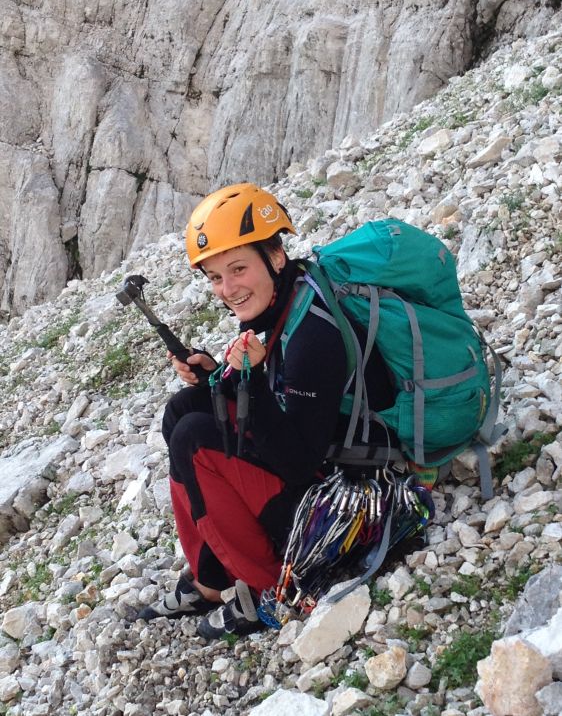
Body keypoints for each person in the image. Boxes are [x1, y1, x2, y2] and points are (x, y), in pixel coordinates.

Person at [139, 183, 396, 638]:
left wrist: (252, 380)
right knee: (185, 408)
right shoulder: (289, 299)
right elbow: (285, 408)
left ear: (276, 257)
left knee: (193, 439)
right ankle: (212, 579)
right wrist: (218, 375)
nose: (228, 289)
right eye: (215, 277)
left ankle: (270, 589)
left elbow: (297, 461)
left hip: (350, 498)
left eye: (238, 269)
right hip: (325, 457)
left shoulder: (313, 333)